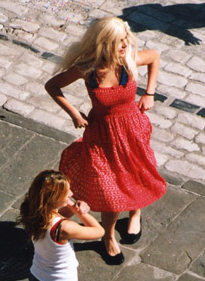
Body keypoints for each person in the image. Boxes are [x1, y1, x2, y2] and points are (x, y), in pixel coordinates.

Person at [45, 16, 166, 266]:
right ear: (103, 43)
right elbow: (53, 86)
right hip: (102, 136)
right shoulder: (88, 70)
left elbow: (154, 56)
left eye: (125, 39)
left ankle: (135, 213)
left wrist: (149, 93)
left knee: (136, 174)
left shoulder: (128, 61)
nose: (124, 45)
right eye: (118, 41)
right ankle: (108, 237)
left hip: (132, 129)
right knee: (109, 191)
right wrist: (74, 113)